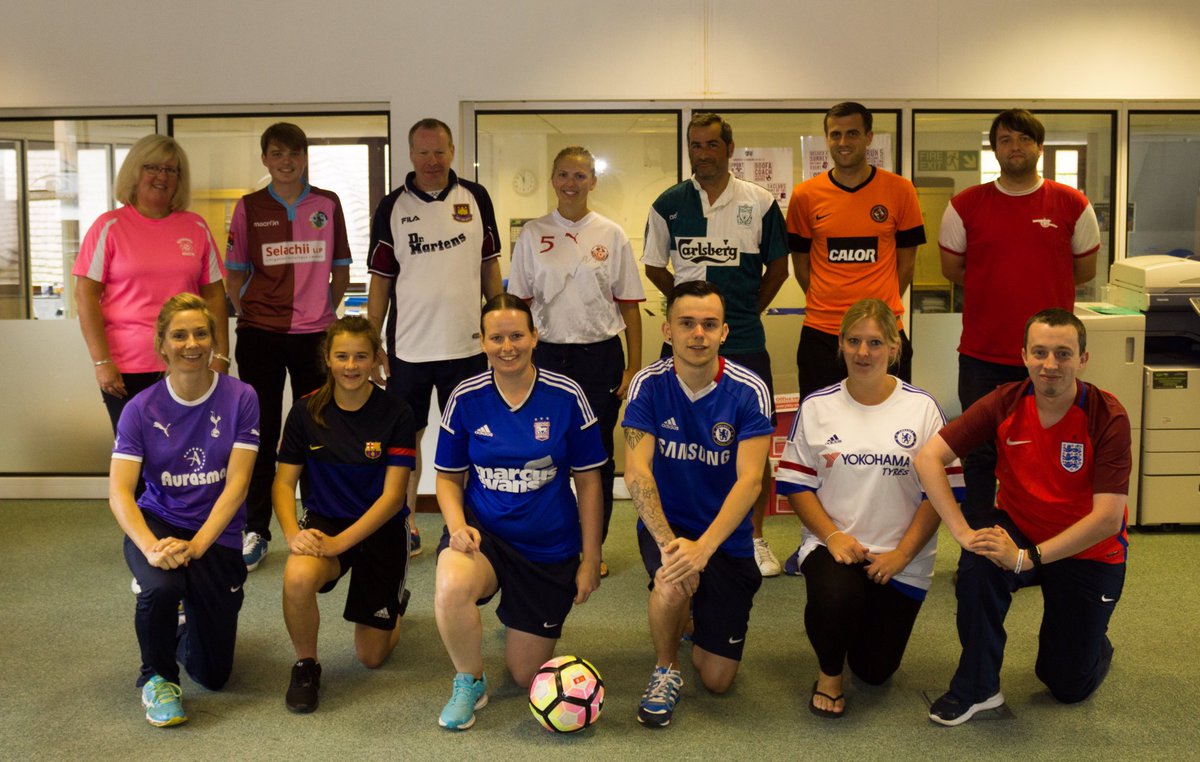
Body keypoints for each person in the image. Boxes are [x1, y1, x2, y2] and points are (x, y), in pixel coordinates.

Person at [915, 308, 1130, 726]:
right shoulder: (1004, 401)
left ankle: (1094, 644)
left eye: (1064, 354)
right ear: (1024, 355)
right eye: (1040, 352)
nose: (1051, 365)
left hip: (1088, 551)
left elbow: (1107, 519)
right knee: (977, 563)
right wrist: (962, 531)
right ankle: (977, 688)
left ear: (1083, 359)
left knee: (1065, 684)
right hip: (1021, 532)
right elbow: (928, 458)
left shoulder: (1107, 415)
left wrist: (1028, 557)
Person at [774, 298, 963, 718]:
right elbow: (797, 485)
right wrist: (833, 536)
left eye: (875, 343)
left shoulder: (923, 409)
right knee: (834, 598)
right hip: (836, 546)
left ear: (894, 349)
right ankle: (828, 675)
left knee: (874, 671)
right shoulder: (818, 406)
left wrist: (902, 554)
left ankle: (852, 629)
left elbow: (941, 494)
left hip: (900, 558)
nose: (863, 353)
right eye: (854, 341)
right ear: (839, 345)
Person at [431, 294, 605, 731]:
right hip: (484, 535)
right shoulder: (466, 397)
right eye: (496, 338)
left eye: (516, 335)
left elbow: (588, 483)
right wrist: (456, 527)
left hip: (549, 547)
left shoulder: (567, 396)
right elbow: (448, 479)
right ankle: (469, 680)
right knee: (451, 584)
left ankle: (520, 620)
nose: (507, 346)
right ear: (483, 342)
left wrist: (589, 560)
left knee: (526, 675)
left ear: (534, 337)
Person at [642, 112, 789, 577]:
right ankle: (683, 529)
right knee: (680, 441)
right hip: (686, 346)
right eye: (695, 145)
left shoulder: (761, 202)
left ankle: (755, 536)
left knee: (751, 446)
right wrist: (686, 312)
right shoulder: (668, 203)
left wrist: (740, 313)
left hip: (744, 339)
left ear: (729, 148)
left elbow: (779, 270)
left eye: (710, 145)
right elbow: (652, 266)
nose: (702, 153)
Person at [939, 108, 1101, 527]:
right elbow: (953, 271)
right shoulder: (965, 206)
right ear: (995, 149)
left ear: (1039, 148)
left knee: (1045, 453)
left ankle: (1043, 545)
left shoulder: (1072, 204)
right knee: (979, 455)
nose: (1016, 147)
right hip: (982, 355)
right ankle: (978, 548)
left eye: (1024, 139)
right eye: (1006, 140)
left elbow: (1083, 272)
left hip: (1050, 359)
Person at [622, 280, 773, 728]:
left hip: (724, 538)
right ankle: (665, 668)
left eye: (709, 325)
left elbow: (750, 482)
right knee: (671, 580)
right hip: (668, 525)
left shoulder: (749, 389)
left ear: (724, 332)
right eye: (687, 323)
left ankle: (694, 616)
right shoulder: (647, 385)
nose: (698, 334)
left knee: (717, 679)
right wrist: (673, 547)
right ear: (667, 330)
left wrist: (704, 549)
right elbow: (636, 472)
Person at [108, 293, 259, 727]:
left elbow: (238, 485)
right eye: (179, 335)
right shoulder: (139, 409)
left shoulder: (241, 397)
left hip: (215, 531)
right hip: (159, 521)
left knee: (214, 676)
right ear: (162, 345)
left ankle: (179, 617)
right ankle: (156, 676)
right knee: (158, 586)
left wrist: (195, 546)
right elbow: (120, 491)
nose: (191, 343)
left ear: (214, 340)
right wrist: (152, 548)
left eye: (200, 333)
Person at [507, 145, 645, 577]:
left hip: (599, 357)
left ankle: (592, 550)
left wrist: (632, 366)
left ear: (593, 182)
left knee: (596, 456)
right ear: (553, 179)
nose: (571, 183)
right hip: (545, 356)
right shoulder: (533, 233)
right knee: (543, 452)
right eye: (564, 174)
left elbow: (629, 307)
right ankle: (547, 543)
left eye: (580, 176)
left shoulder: (611, 233)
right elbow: (519, 305)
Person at [367, 118, 503, 555]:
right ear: (410, 154)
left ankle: (458, 525)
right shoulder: (391, 206)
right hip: (408, 350)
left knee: (468, 439)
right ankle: (404, 524)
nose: (431, 160)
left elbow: (490, 266)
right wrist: (373, 343)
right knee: (405, 442)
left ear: (452, 151)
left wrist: (498, 323)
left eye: (439, 151)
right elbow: (381, 280)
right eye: (423, 152)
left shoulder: (475, 198)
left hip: (467, 348)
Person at [271, 316, 416, 713]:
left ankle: (393, 606)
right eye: (342, 356)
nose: (351, 366)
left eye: (360, 356)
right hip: (327, 523)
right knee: (297, 576)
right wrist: (291, 534)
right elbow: (283, 485)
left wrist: (339, 544)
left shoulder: (396, 413)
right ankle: (305, 665)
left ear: (374, 360)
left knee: (370, 657)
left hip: (381, 528)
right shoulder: (304, 412)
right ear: (327, 358)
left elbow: (391, 499)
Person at [227, 122, 352, 572]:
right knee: (258, 432)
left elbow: (340, 269)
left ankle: (316, 520)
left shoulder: (327, 204)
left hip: (315, 335)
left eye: (294, 153)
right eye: (277, 154)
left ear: (305, 157)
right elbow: (234, 274)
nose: (286, 162)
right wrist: (255, 313)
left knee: (318, 431)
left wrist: (321, 310)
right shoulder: (248, 207)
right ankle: (255, 528)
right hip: (260, 334)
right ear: (265, 158)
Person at [74, 135, 229, 433]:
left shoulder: (195, 226)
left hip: (188, 361)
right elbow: (85, 296)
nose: (162, 177)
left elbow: (214, 295)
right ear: (135, 172)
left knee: (188, 454)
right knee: (136, 458)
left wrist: (221, 355)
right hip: (126, 369)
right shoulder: (109, 227)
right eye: (152, 168)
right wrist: (101, 362)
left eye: (171, 170)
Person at [786, 102, 925, 400]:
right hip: (822, 333)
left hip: (884, 332)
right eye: (835, 135)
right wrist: (827, 302)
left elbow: (907, 265)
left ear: (869, 137)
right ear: (827, 139)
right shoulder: (805, 196)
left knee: (890, 423)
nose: (843, 142)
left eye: (852, 133)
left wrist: (880, 309)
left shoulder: (900, 190)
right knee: (820, 425)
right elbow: (801, 266)